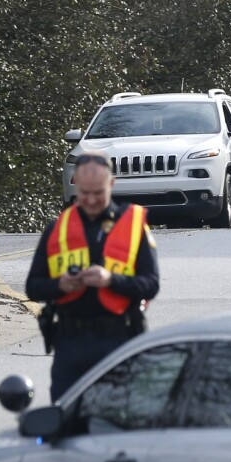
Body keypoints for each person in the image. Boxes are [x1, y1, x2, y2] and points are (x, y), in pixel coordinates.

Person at [26, 151, 160, 403]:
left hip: (117, 340)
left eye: (98, 193)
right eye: (84, 193)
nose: (90, 200)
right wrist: (60, 285)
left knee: (114, 423)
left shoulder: (132, 226)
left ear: (111, 184)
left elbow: (151, 285)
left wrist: (111, 280)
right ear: (75, 183)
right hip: (70, 343)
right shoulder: (57, 229)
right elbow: (33, 287)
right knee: (65, 421)